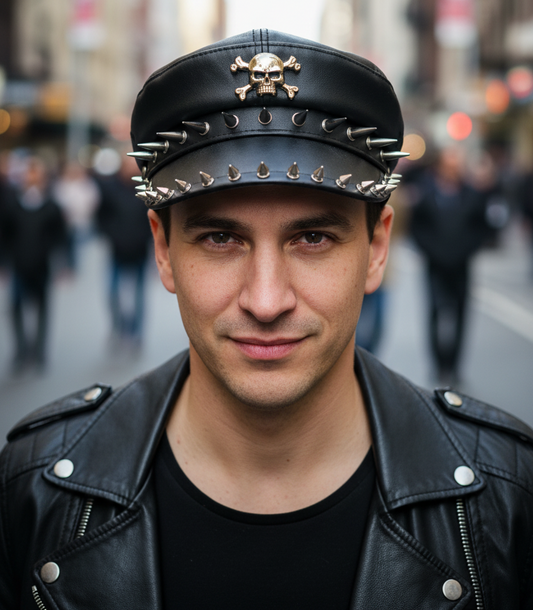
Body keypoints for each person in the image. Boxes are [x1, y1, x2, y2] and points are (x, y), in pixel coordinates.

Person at [0, 30, 532, 610]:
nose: (267, 299)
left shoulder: (508, 498)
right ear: (164, 250)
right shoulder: (32, 490)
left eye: (313, 237)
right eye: (221, 237)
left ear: (377, 248)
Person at [410, 147, 490, 384]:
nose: (453, 168)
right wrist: (432, 251)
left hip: (461, 265)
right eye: (449, 163)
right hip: (434, 265)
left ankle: (454, 366)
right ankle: (439, 365)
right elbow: (418, 228)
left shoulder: (472, 194)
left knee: (461, 316)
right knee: (434, 313)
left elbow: (480, 228)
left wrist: (465, 251)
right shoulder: (427, 193)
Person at [0, 156, 67, 374]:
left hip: (42, 266)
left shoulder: (51, 205)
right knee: (16, 308)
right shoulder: (12, 203)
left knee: (42, 309)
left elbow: (60, 235)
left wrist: (61, 262)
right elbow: (5, 235)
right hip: (19, 265)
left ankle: (39, 352)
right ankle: (21, 351)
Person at [96, 152, 153, 352]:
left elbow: (153, 218)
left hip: (139, 251)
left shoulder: (145, 188)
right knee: (113, 294)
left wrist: (146, 238)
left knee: (138, 295)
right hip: (117, 251)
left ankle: (136, 333)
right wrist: (111, 235)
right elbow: (101, 216)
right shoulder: (110, 188)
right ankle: (119, 328)